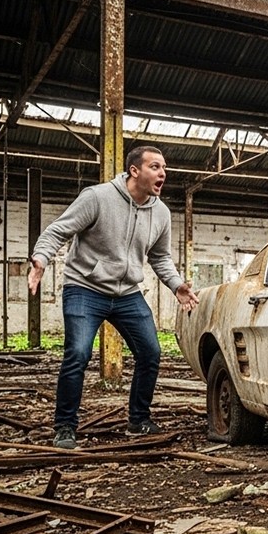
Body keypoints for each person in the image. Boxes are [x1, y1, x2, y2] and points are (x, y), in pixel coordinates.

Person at [29, 145, 198, 449]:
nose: (163, 173)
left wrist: (176, 285)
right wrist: (41, 259)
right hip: (84, 288)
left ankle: (139, 420)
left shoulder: (160, 212)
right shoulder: (98, 197)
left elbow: (160, 257)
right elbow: (57, 232)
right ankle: (65, 427)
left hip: (127, 294)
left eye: (164, 168)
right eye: (155, 167)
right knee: (78, 354)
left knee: (150, 353)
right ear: (135, 171)